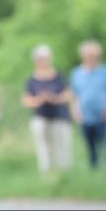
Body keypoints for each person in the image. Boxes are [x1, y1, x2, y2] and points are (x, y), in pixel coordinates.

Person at [22, 45, 73, 173]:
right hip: (41, 117)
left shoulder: (59, 76)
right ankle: (46, 173)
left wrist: (54, 98)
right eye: (40, 58)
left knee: (62, 146)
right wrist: (40, 100)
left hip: (59, 116)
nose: (43, 61)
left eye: (45, 58)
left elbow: (68, 95)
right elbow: (26, 100)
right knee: (44, 148)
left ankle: (64, 173)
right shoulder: (31, 80)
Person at [69, 40, 106, 169]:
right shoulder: (77, 73)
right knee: (90, 146)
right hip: (85, 116)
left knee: (104, 144)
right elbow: (74, 96)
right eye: (90, 55)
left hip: (103, 115)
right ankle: (94, 170)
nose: (93, 58)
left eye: (95, 56)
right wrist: (76, 112)